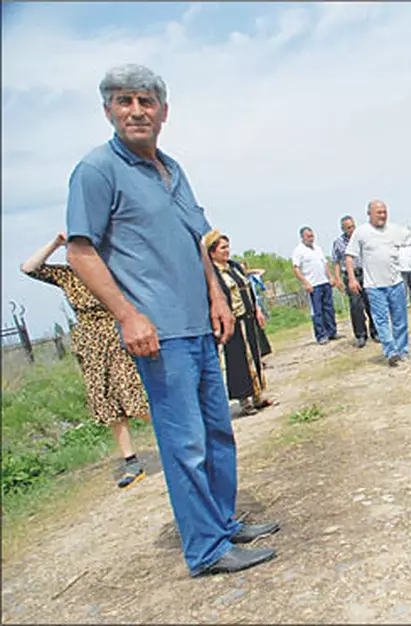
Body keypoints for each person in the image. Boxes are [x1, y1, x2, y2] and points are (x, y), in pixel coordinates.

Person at [65, 63, 278, 577]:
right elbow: (80, 252)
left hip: (199, 325)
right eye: (124, 101)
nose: (136, 111)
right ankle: (206, 549)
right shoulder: (96, 171)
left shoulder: (172, 168)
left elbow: (196, 240)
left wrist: (217, 297)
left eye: (147, 101)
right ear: (108, 111)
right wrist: (128, 315)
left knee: (218, 432)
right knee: (185, 443)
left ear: (163, 112)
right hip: (158, 333)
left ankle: (222, 523)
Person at [21, 232, 151, 489]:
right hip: (90, 344)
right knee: (108, 404)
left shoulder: (112, 269)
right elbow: (29, 268)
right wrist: (56, 243)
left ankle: (177, 438)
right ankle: (132, 462)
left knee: (134, 398)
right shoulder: (67, 275)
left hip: (116, 334)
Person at [345, 200, 411, 366]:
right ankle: (391, 352)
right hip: (374, 286)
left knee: (400, 319)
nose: (382, 215)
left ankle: (402, 350)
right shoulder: (361, 233)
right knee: (381, 321)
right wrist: (352, 279)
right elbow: (350, 256)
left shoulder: (394, 230)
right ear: (369, 214)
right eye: (379, 212)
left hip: (395, 283)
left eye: (385, 212)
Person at [205, 230, 276, 417]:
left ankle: (258, 396)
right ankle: (245, 400)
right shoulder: (212, 274)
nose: (226, 251)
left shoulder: (234, 266)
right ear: (212, 252)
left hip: (248, 317)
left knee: (255, 357)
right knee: (239, 362)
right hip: (232, 322)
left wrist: (257, 310)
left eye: (227, 247)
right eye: (222, 248)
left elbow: (248, 289)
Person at [331, 215, 379, 348]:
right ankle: (360, 335)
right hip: (350, 276)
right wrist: (338, 279)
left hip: (365, 274)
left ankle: (375, 332)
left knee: (371, 303)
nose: (351, 229)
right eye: (348, 228)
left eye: (352, 226)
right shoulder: (338, 243)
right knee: (356, 306)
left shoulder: (361, 238)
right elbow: (336, 262)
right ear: (343, 229)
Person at [292, 226, 339, 344]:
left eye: (312, 236)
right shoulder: (298, 251)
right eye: (308, 236)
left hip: (324, 282)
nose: (311, 238)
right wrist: (305, 283)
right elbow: (296, 269)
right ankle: (321, 335)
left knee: (329, 309)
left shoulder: (318, 248)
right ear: (302, 237)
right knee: (317, 311)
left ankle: (332, 332)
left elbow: (325, 264)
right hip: (313, 285)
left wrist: (330, 277)